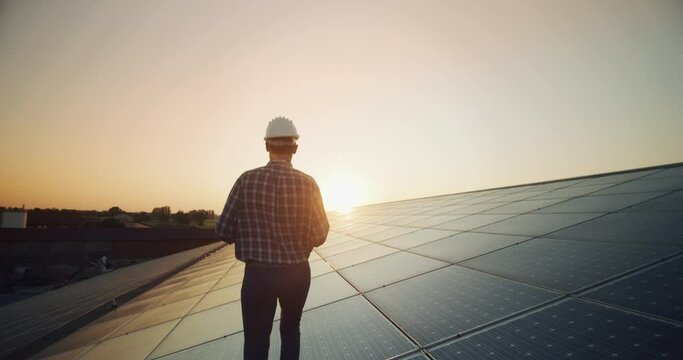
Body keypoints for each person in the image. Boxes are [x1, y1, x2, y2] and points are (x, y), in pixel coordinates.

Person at [216, 116, 329, 360]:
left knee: (256, 340)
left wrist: (249, 233)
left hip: (257, 277)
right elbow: (320, 234)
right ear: (295, 148)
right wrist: (300, 242)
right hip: (297, 274)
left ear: (266, 146)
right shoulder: (308, 184)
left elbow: (223, 231)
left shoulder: (246, 181)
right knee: (290, 332)